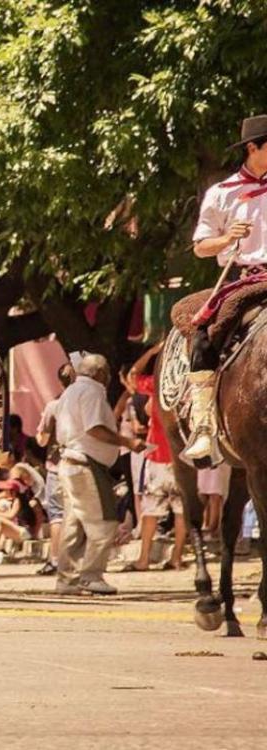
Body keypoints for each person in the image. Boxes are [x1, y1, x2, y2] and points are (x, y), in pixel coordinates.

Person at [186, 115, 267, 462]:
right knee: (205, 332)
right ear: (253, 148)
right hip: (245, 277)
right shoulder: (221, 194)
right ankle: (203, 422)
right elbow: (201, 247)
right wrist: (227, 237)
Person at [54, 354, 145, 595]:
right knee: (103, 523)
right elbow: (94, 428)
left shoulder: (69, 392)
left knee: (73, 526)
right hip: (86, 465)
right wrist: (127, 441)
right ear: (100, 374)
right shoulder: (92, 392)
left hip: (70, 461)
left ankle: (66, 579)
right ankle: (90, 575)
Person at [122, 344, 188, 572]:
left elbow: (132, 374)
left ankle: (144, 559)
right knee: (181, 510)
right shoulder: (186, 386)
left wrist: (152, 352)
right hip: (181, 458)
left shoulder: (156, 385)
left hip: (158, 456)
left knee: (151, 510)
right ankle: (177, 557)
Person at [34, 362, 76, 575]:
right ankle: (75, 560)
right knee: (79, 513)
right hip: (81, 464)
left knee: (57, 515)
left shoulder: (54, 406)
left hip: (56, 465)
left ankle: (55, 559)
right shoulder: (87, 402)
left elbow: (41, 440)